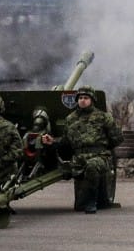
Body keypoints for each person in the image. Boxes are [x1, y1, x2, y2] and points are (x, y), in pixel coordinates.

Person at [42, 85, 123, 213]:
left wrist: (103, 149)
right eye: (80, 98)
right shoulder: (71, 119)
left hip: (100, 156)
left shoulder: (103, 117)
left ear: (92, 100)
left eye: (86, 98)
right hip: (79, 159)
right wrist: (52, 141)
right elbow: (66, 141)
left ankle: (92, 202)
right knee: (79, 206)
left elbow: (117, 138)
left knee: (92, 166)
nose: (82, 100)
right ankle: (96, 201)